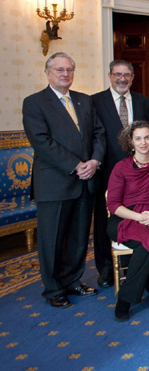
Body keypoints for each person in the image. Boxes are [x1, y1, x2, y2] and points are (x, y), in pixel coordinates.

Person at [22, 52, 106, 308]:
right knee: (52, 239)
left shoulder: (83, 100)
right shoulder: (35, 102)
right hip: (55, 183)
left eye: (69, 69)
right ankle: (54, 289)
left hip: (86, 180)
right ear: (48, 72)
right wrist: (75, 165)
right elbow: (42, 142)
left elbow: (99, 134)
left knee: (79, 236)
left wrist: (94, 161)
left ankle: (73, 281)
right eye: (59, 69)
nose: (65, 74)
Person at [91, 59, 149, 287]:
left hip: (139, 174)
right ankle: (106, 269)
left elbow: (148, 138)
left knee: (138, 216)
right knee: (104, 221)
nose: (122, 79)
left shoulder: (143, 102)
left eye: (127, 75)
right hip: (107, 172)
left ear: (133, 77)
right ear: (110, 76)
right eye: (117, 74)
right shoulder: (95, 101)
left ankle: (137, 264)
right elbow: (93, 137)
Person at [106, 121, 149, 321]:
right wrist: (139, 217)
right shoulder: (121, 167)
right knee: (146, 245)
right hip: (125, 218)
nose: (143, 142)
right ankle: (126, 300)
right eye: (138, 138)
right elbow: (113, 204)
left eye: (147, 137)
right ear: (131, 142)